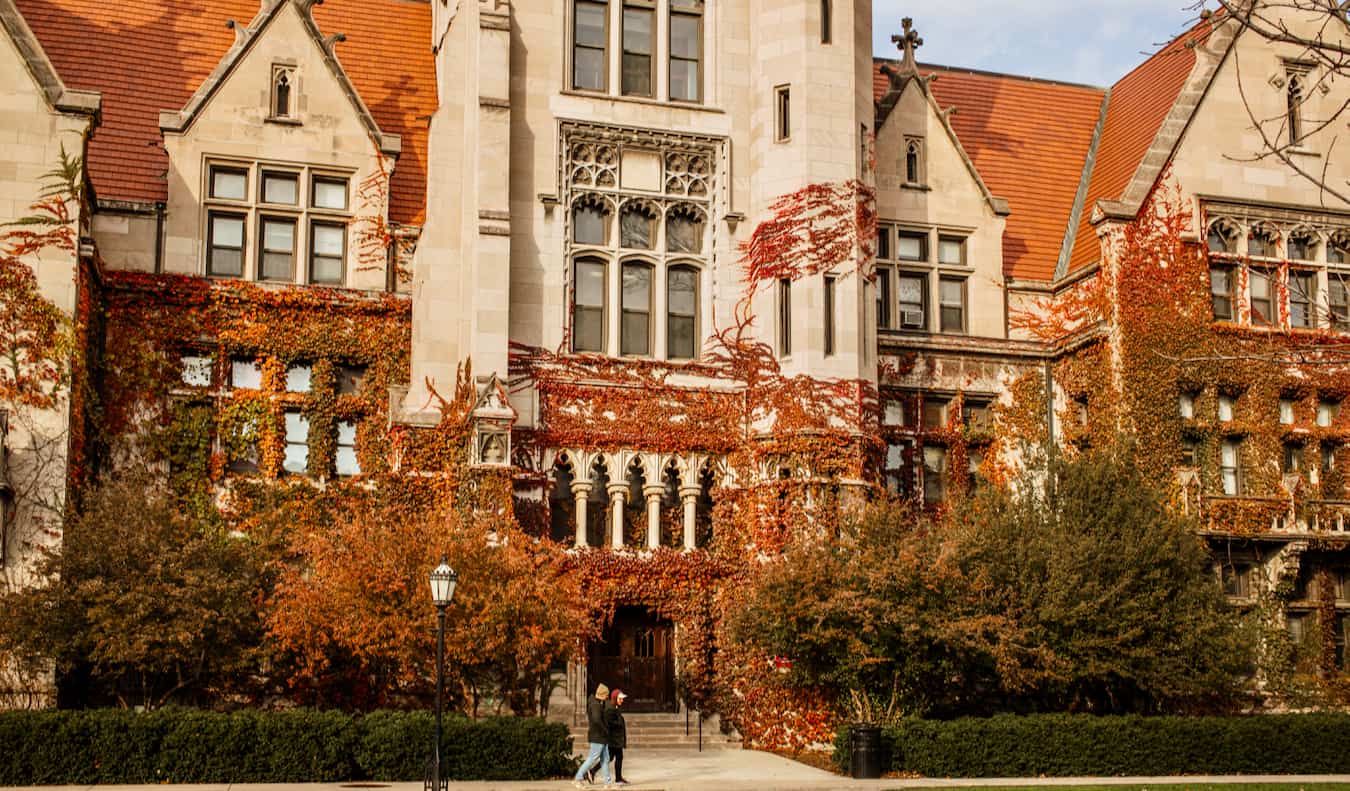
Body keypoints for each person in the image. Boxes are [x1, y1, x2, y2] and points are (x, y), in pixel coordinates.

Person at [573, 683, 612, 788]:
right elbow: (596, 720)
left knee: (605, 759)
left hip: (601, 736)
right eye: (606, 695)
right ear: (603, 695)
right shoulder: (595, 705)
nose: (607, 698)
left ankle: (608, 783)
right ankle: (578, 778)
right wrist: (605, 730)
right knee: (592, 758)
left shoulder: (597, 704)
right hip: (598, 736)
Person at [607, 689, 628, 786]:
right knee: (617, 757)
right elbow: (611, 723)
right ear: (615, 698)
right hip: (614, 739)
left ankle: (592, 771)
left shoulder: (615, 707)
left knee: (611, 758)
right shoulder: (611, 709)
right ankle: (618, 779)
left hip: (616, 739)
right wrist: (620, 723)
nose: (622, 701)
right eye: (620, 699)